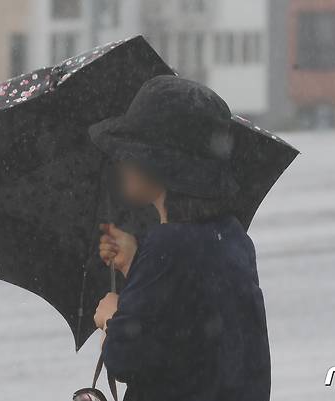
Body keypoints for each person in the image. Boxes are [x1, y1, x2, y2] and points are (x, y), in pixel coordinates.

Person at [88, 75, 271, 401]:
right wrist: (135, 263)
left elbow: (124, 359)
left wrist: (110, 317)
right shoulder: (231, 237)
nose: (121, 160)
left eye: (131, 151)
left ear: (158, 163)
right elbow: (188, 333)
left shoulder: (168, 246)